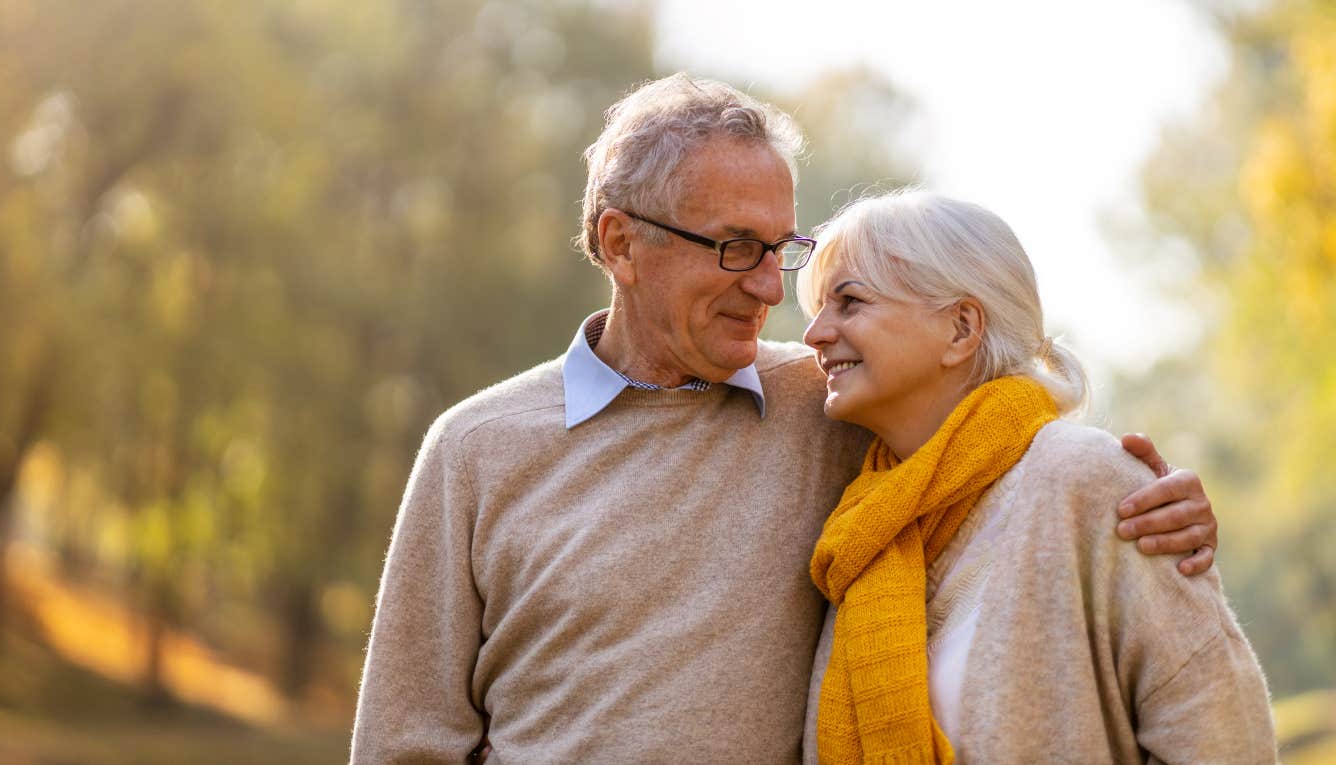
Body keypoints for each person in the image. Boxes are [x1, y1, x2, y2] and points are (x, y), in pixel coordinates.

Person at [349, 75, 1220, 764]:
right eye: (735, 247)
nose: (771, 287)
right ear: (620, 242)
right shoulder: (475, 448)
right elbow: (404, 742)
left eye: (781, 247)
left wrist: (1152, 502)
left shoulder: (836, 402)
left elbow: (994, 419)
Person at [798, 191, 1274, 764]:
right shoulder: (863, 528)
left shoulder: (1089, 482)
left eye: (848, 303)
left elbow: (1221, 734)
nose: (815, 335)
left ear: (961, 328)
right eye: (818, 310)